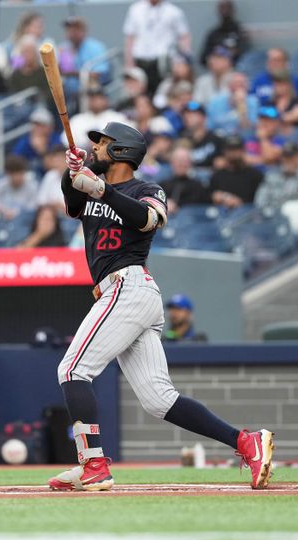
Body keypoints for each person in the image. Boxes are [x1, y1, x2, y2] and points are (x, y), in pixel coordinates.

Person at [49, 121, 273, 491]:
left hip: (129, 286)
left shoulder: (146, 188)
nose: (96, 150)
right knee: (159, 400)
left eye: (102, 144)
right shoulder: (91, 189)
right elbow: (74, 202)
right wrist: (70, 171)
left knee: (72, 369)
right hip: (123, 294)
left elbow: (148, 219)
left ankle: (93, 462)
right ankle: (246, 442)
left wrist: (101, 188)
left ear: (122, 151)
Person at [123, 0, 192, 96]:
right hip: (140, 59)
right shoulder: (135, 9)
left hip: (163, 61)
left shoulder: (174, 11)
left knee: (162, 92)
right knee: (141, 95)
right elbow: (130, 37)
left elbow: (184, 35)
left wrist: (182, 59)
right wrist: (129, 63)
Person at [57, 16, 110, 99]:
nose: (71, 33)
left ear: (83, 31)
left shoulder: (95, 47)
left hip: (92, 93)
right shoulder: (63, 47)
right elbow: (58, 71)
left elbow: (98, 74)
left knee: (92, 85)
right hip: (67, 94)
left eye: (75, 29)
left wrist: (71, 73)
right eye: (68, 29)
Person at [254, 141, 298, 210]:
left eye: (292, 157)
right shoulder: (271, 177)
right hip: (273, 218)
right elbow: (260, 202)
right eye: (285, 157)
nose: (288, 160)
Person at [208, 134, 264, 208]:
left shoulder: (255, 175)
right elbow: (211, 198)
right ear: (224, 152)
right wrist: (222, 198)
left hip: (248, 216)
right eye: (230, 149)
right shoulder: (217, 177)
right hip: (224, 216)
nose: (233, 153)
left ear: (243, 151)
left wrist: (240, 203)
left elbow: (260, 201)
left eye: (236, 149)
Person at [160, 145, 210, 213]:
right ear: (172, 163)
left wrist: (177, 207)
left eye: (185, 160)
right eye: (179, 160)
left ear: (190, 163)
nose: (182, 164)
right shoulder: (162, 186)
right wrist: (164, 204)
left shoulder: (198, 187)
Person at [199, 0, 249, 66]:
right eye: (222, 8)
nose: (225, 12)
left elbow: (245, 55)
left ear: (233, 11)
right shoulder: (213, 34)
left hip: (236, 71)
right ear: (218, 11)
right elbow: (202, 59)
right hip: (215, 71)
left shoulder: (241, 31)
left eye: (227, 8)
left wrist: (229, 55)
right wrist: (216, 55)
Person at [11, 107, 62, 171]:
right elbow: (14, 164)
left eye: (41, 125)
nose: (38, 128)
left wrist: (42, 150)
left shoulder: (57, 140)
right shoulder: (26, 141)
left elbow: (57, 168)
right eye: (35, 124)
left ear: (50, 127)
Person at [0, 155, 40, 221]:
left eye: (21, 173)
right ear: (8, 174)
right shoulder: (0, 186)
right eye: (15, 174)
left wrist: (16, 213)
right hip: (3, 220)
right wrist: (4, 211)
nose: (18, 177)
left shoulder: (32, 186)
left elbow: (32, 209)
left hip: (23, 221)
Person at [181, 101, 224, 170]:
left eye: (191, 114)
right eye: (185, 114)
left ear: (203, 117)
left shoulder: (216, 139)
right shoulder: (182, 139)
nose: (187, 117)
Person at [7, 36, 52, 101]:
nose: (27, 55)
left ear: (36, 53)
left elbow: (48, 94)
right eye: (24, 52)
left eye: (29, 52)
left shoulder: (44, 73)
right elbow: (12, 95)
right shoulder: (15, 75)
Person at [38, 146, 68, 213]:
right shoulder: (49, 175)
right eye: (56, 160)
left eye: (61, 160)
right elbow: (40, 201)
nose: (58, 163)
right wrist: (53, 205)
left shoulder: (78, 177)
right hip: (51, 214)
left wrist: (62, 206)